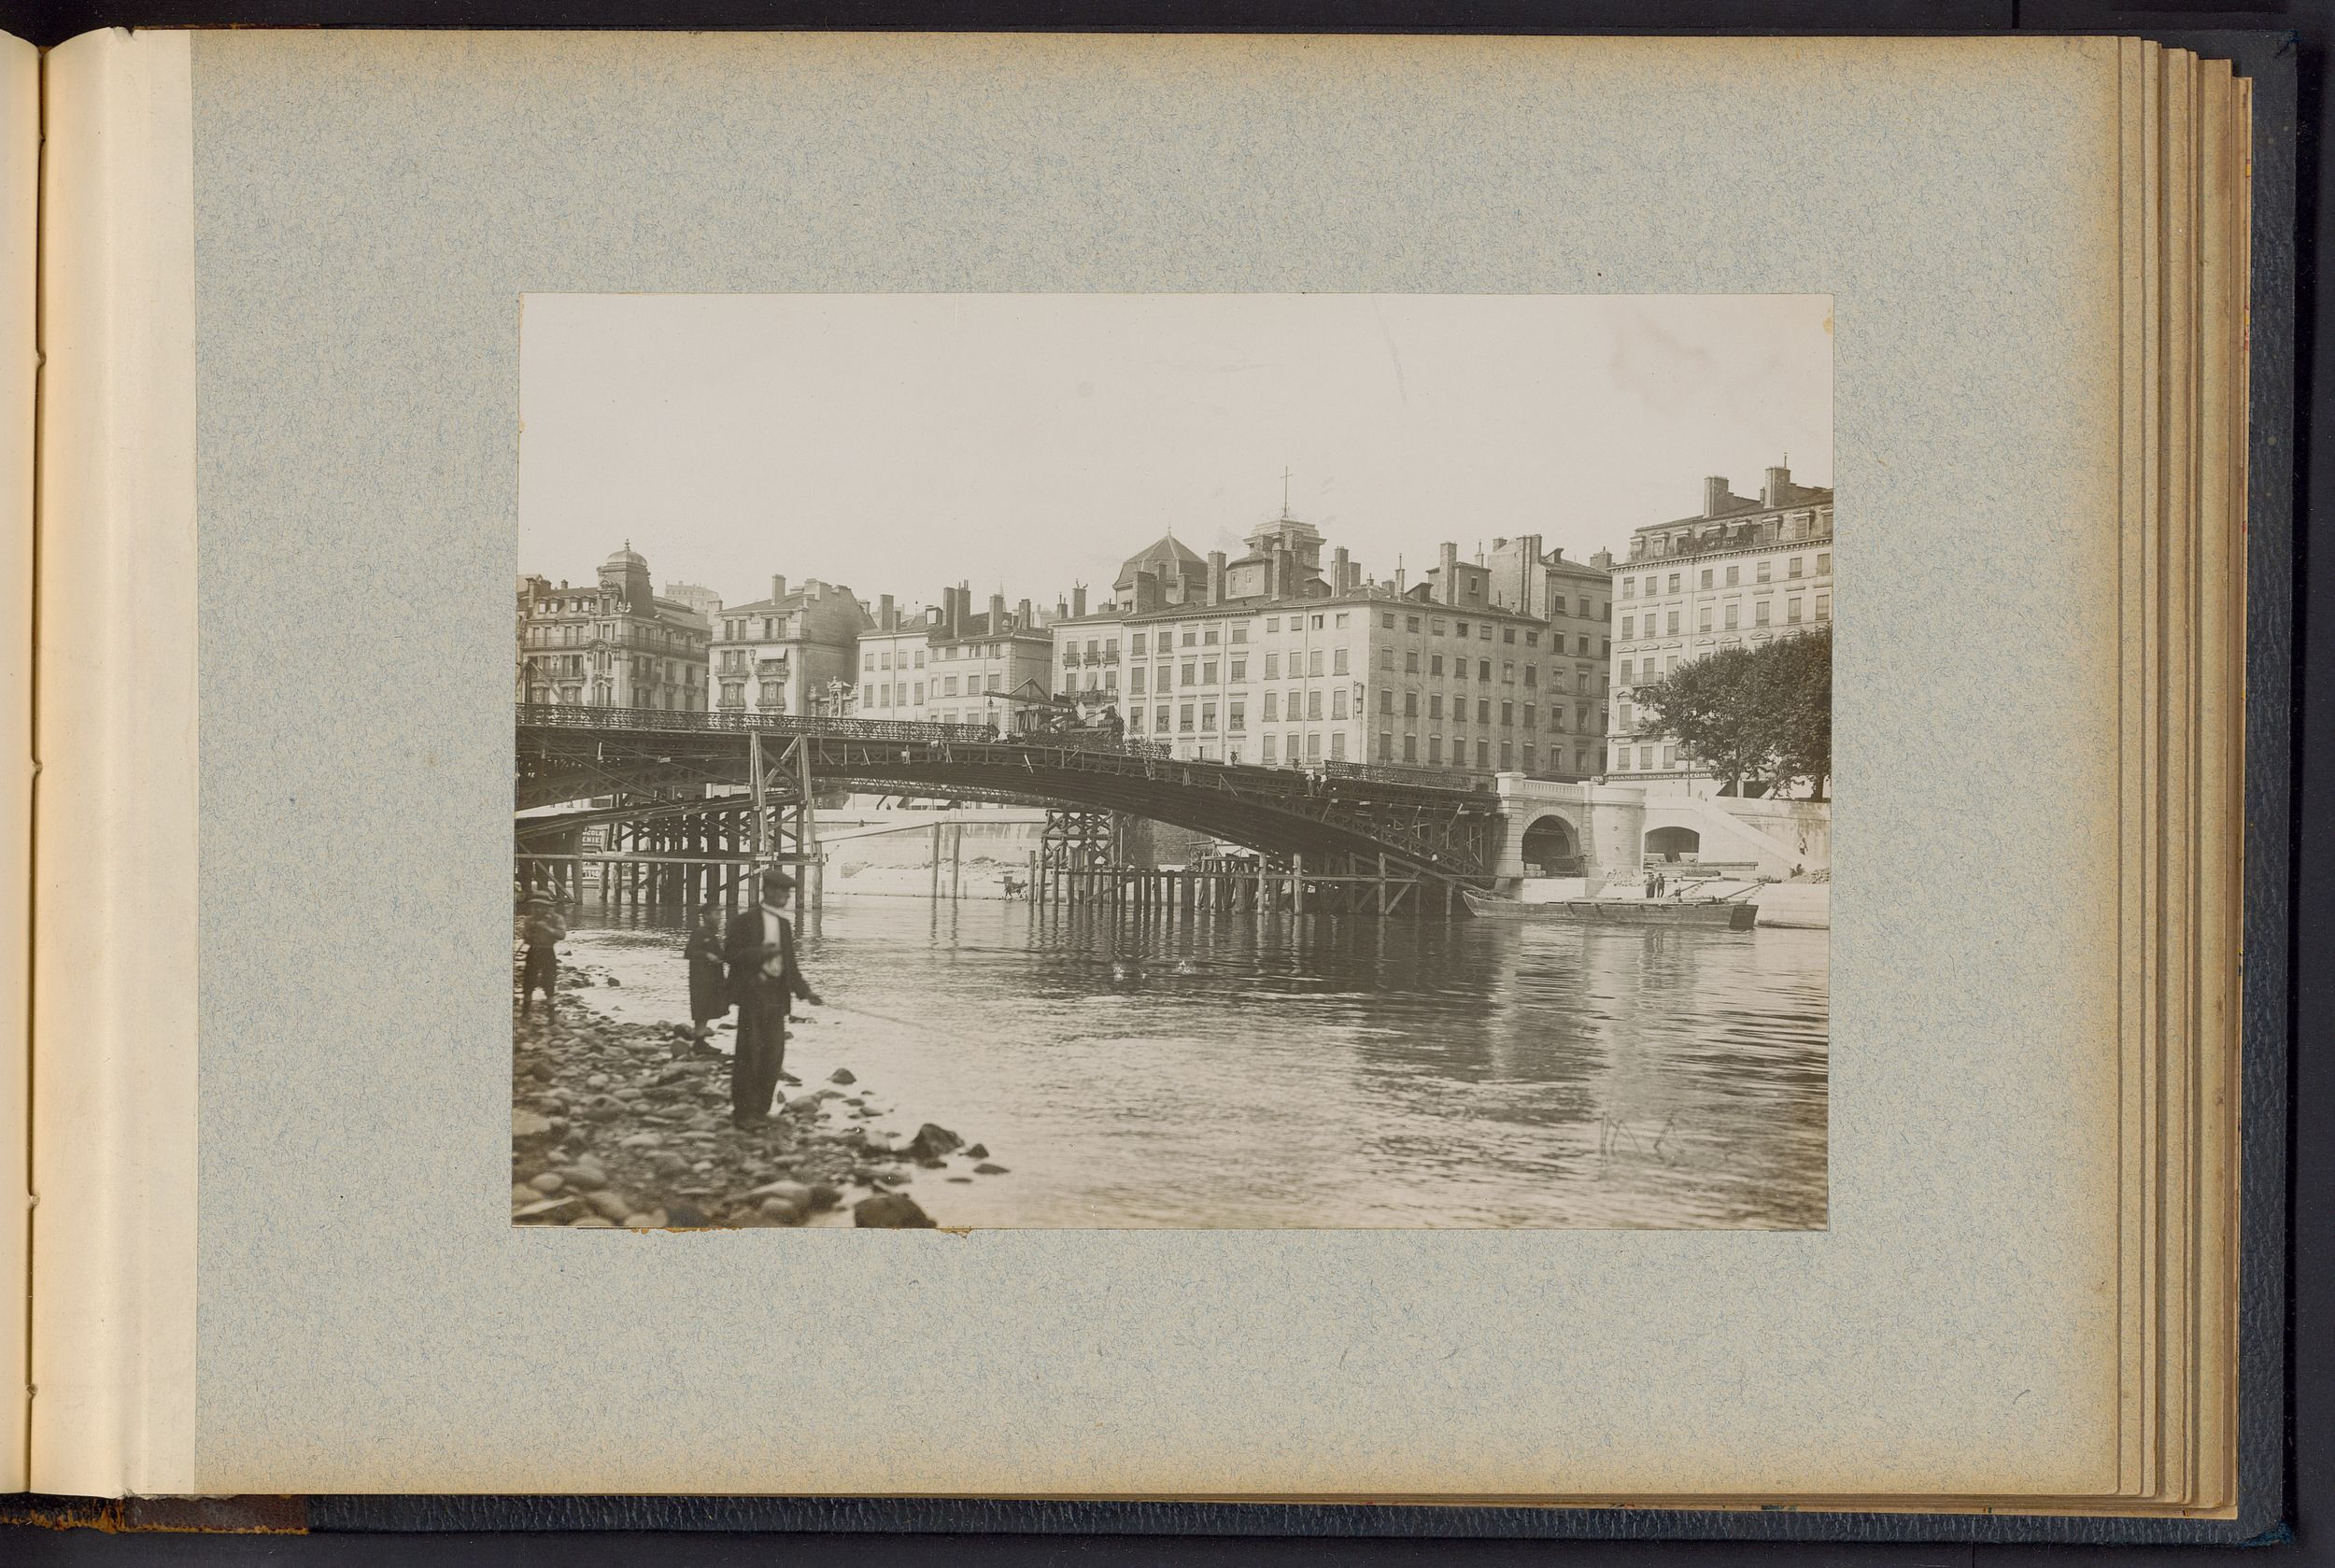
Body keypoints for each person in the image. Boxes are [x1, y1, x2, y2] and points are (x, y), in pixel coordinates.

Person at [723, 868, 822, 1130]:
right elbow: (730, 955)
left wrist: (805, 991)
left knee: (773, 1054)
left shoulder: (784, 925)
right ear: (768, 891)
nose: (786, 897)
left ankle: (762, 1110)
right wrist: (761, 954)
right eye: (782, 892)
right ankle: (743, 1113)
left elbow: (790, 964)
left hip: (776, 997)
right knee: (749, 1053)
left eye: (788, 892)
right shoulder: (745, 920)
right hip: (751, 994)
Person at [682, 901, 729, 1052]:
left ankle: (700, 1040)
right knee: (702, 1009)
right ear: (706, 915)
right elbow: (689, 953)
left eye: (720, 914)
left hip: (712, 978)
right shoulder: (699, 933)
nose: (720, 917)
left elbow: (722, 955)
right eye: (716, 914)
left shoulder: (712, 934)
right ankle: (699, 1042)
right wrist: (707, 955)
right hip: (700, 979)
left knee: (707, 1008)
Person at [517, 891, 567, 1021]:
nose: (538, 909)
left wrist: (546, 928)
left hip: (548, 952)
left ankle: (551, 1015)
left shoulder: (557, 919)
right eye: (535, 906)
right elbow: (526, 939)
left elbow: (562, 935)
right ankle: (525, 1013)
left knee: (549, 982)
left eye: (541, 906)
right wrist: (531, 931)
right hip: (533, 952)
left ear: (548, 907)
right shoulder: (529, 920)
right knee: (528, 982)